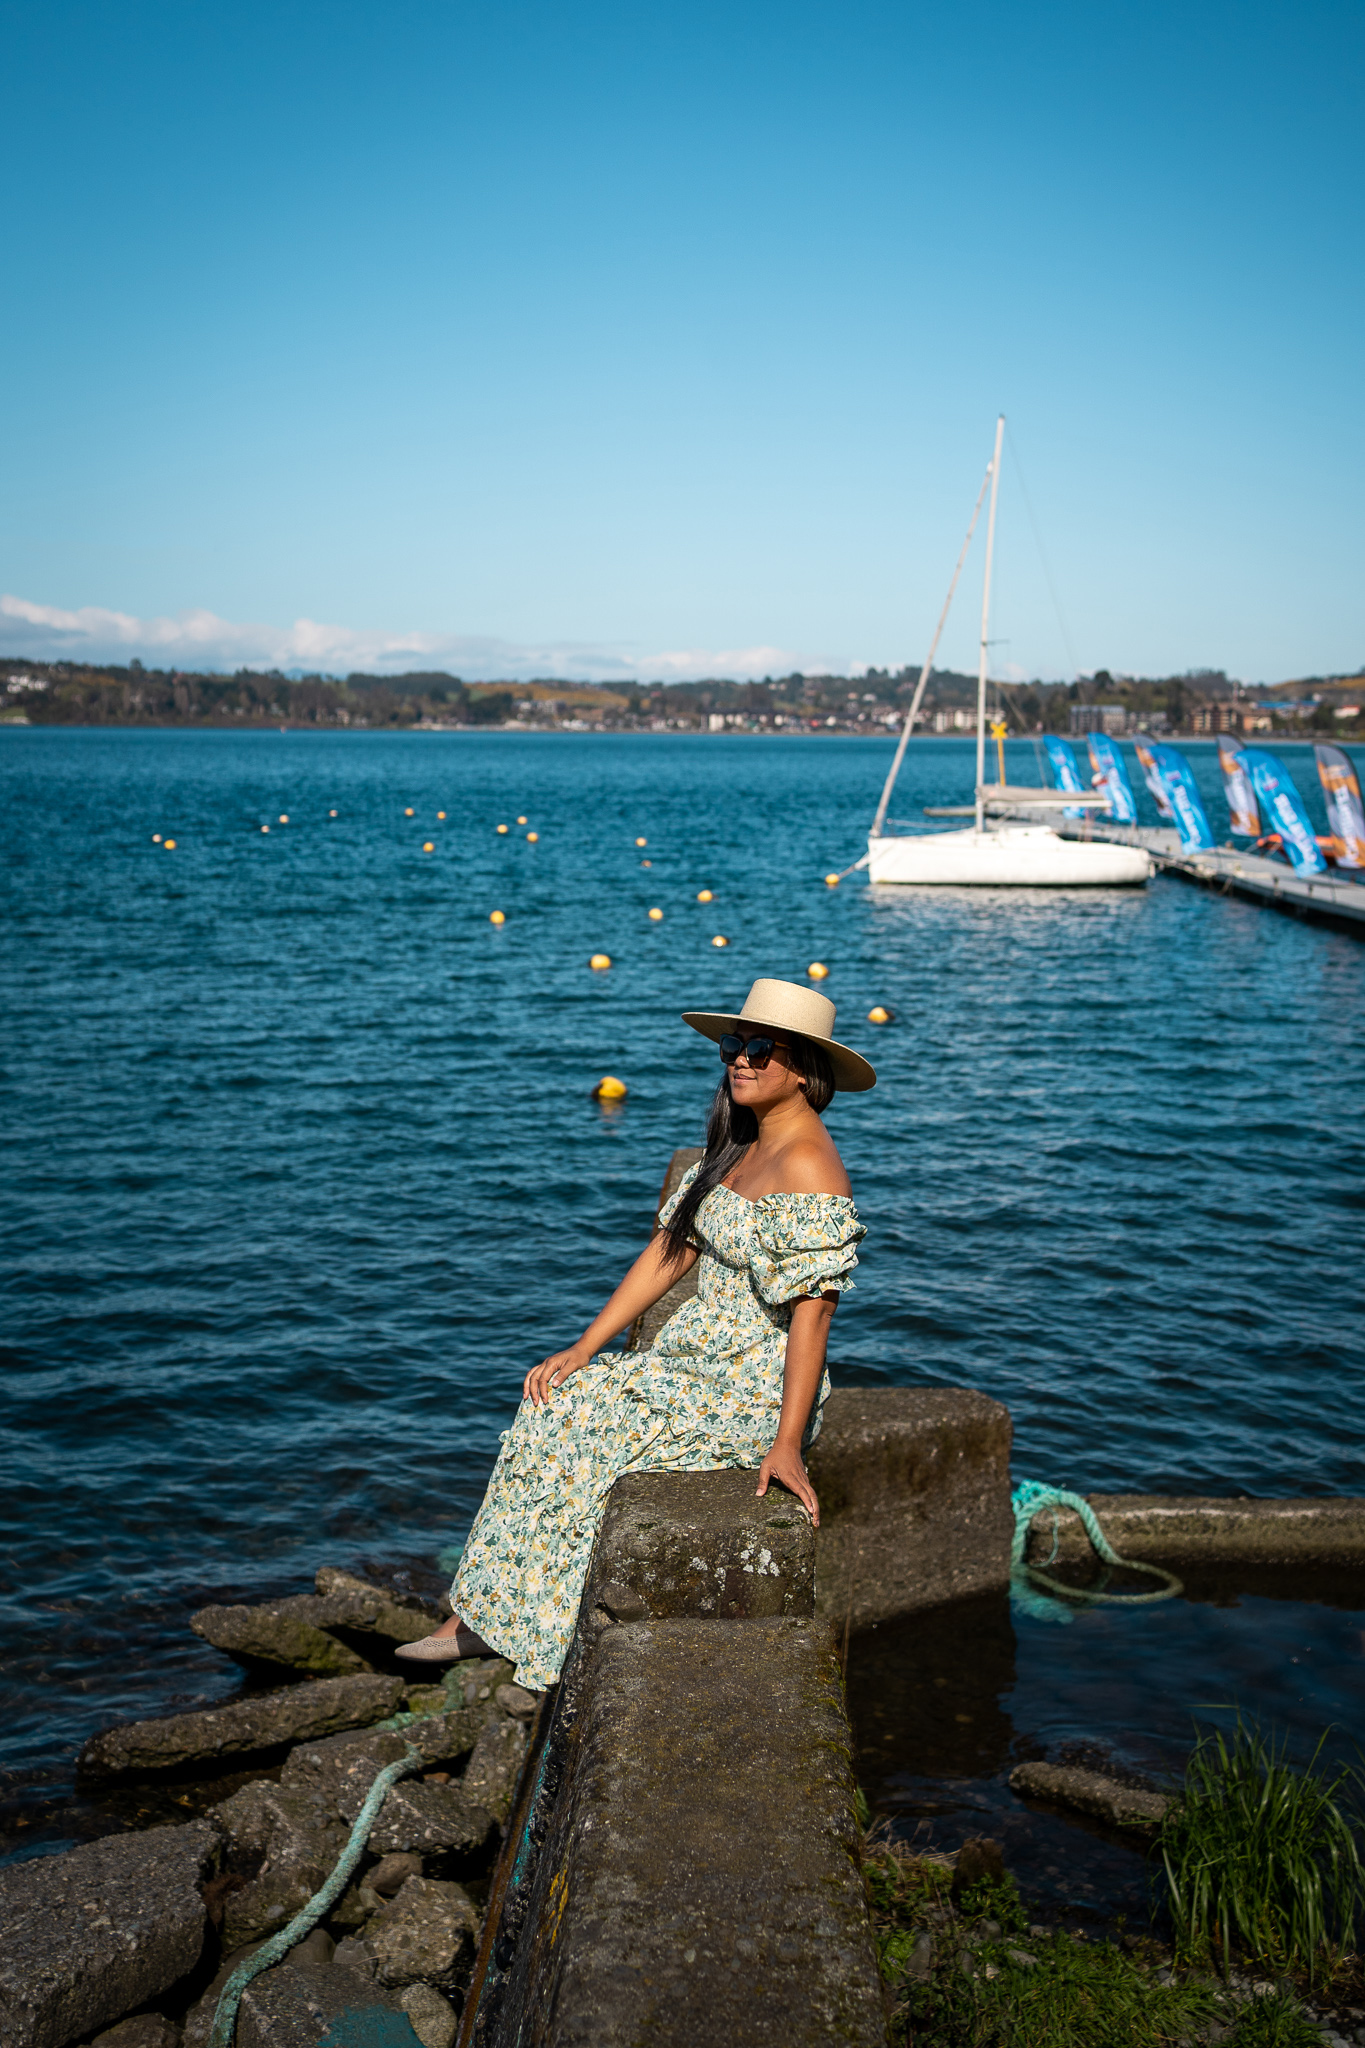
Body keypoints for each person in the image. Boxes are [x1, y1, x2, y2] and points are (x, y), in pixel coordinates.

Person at [398, 977, 875, 1690]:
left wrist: (786, 1441)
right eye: (732, 1045)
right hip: (690, 1359)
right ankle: (487, 1613)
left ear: (803, 1070)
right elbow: (667, 1252)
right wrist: (584, 1345)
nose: (739, 1060)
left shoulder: (809, 1165)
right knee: (552, 1399)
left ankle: (527, 1632)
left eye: (759, 1050)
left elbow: (816, 1313)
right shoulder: (741, 1145)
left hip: (746, 1383)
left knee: (586, 1432)